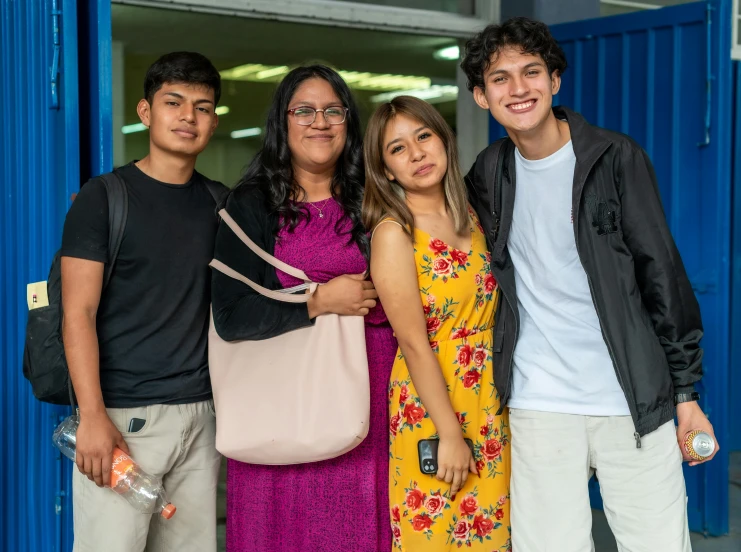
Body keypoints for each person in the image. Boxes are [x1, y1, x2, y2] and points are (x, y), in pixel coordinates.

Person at [460, 17, 719, 552]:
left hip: (632, 399)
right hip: (539, 402)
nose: (518, 88)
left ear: (555, 81)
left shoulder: (613, 156)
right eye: (500, 79)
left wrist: (687, 392)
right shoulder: (488, 173)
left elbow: (661, 274)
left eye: (531, 72)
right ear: (482, 98)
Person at [211, 64, 396, 552]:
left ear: (349, 124)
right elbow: (231, 318)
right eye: (305, 110)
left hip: (368, 395)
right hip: (281, 401)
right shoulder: (251, 204)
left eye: (334, 110)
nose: (321, 122)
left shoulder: (377, 198)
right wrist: (319, 301)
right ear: (283, 121)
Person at [61, 52, 226, 551]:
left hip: (201, 415)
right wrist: (92, 415)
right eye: (173, 102)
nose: (188, 117)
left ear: (213, 122)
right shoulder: (104, 197)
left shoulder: (221, 203)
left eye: (202, 107)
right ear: (145, 111)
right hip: (122, 418)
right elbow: (77, 314)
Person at [363, 95, 511, 552]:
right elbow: (412, 343)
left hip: (491, 396)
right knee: (439, 535)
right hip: (433, 402)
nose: (417, 153)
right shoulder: (394, 232)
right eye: (398, 148)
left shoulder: (474, 214)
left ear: (444, 141)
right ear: (386, 170)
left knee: (495, 533)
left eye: (423, 136)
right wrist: (449, 433)